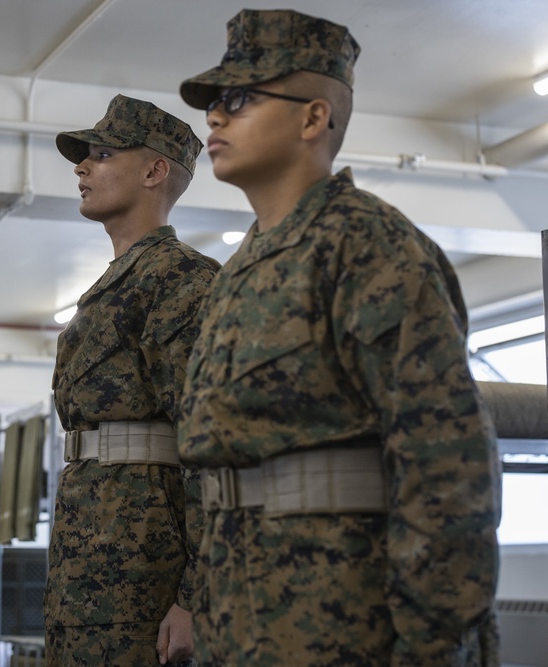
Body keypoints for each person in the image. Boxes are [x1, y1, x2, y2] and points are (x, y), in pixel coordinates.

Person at [176, 9, 501, 665]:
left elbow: (446, 465)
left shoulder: (367, 245)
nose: (214, 117)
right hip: (243, 622)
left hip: (346, 626)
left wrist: (432, 644)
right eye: (213, 102)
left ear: (312, 118)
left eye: (239, 98)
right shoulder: (241, 271)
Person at [43, 94, 220, 667]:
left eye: (101, 154)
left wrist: (196, 597)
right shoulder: (113, 285)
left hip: (147, 573)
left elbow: (212, 444)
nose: (81, 167)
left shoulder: (181, 280)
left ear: (154, 171)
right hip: (90, 561)